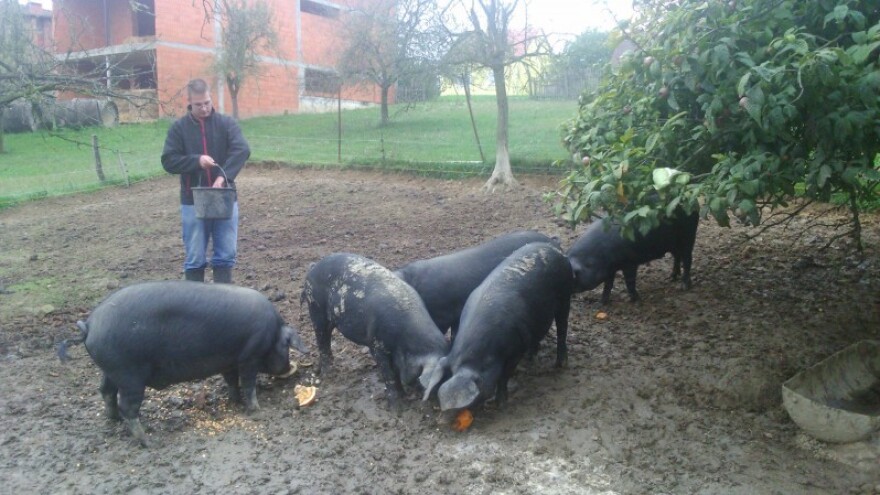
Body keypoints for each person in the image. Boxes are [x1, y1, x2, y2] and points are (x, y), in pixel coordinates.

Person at [161, 78, 250, 283]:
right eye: (198, 104)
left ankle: (223, 302)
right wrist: (197, 161)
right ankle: (195, 306)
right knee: (194, 257)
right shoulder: (179, 129)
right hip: (192, 200)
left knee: (225, 255)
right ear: (189, 102)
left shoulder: (226, 124)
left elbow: (242, 149)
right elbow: (168, 160)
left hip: (224, 198)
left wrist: (223, 176)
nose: (204, 108)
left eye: (207, 103)